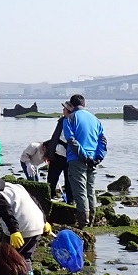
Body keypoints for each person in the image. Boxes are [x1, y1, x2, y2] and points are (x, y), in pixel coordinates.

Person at [59, 94, 106, 227]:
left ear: (71, 105)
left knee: (80, 192)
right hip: (93, 159)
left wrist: (85, 156)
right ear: (84, 104)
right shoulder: (95, 119)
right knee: (90, 190)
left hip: (77, 159)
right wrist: (98, 157)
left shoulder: (69, 119)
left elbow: (71, 140)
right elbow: (102, 140)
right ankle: (91, 219)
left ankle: (83, 223)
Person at [44, 114, 69, 199]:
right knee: (51, 178)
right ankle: (51, 196)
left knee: (69, 180)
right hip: (57, 155)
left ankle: (70, 199)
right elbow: (54, 138)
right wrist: (48, 154)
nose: (63, 111)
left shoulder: (74, 122)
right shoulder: (61, 121)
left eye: (65, 109)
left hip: (69, 157)